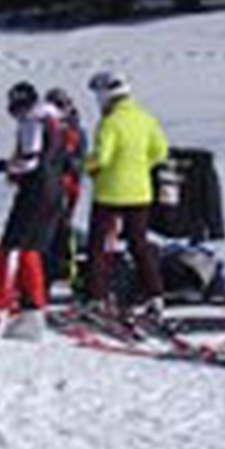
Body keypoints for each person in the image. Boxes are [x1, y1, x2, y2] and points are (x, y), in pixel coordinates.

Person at [0, 81, 64, 330]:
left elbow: (29, 161)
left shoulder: (32, 120)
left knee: (10, 247)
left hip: (35, 191)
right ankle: (33, 312)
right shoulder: (53, 120)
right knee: (30, 248)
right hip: (54, 191)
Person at [84, 70, 171, 314]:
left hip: (109, 192)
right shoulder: (145, 118)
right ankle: (155, 295)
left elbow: (101, 157)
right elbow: (160, 151)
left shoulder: (110, 122)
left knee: (98, 246)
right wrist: (140, 166)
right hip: (140, 192)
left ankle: (96, 298)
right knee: (139, 244)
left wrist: (86, 165)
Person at [45, 88, 87, 286]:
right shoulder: (46, 126)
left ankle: (63, 266)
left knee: (61, 225)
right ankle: (51, 267)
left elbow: (80, 159)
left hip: (66, 185)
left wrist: (71, 163)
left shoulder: (74, 129)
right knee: (48, 227)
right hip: (49, 185)